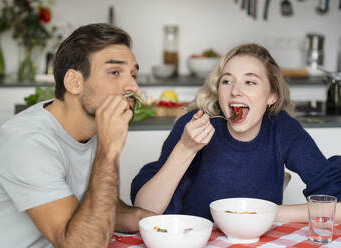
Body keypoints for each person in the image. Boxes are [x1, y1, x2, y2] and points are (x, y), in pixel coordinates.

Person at [0, 23, 154, 248]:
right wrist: (109, 151)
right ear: (74, 82)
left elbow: (103, 207)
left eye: (133, 74)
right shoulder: (27, 145)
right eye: (114, 72)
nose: (132, 86)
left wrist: (153, 222)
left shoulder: (91, 127)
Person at [131, 43, 341, 223]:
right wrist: (185, 148)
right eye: (227, 81)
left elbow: (336, 205)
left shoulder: (282, 128)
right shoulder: (192, 125)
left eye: (250, 82)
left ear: (271, 96)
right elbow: (147, 210)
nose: (235, 91)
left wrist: (269, 213)